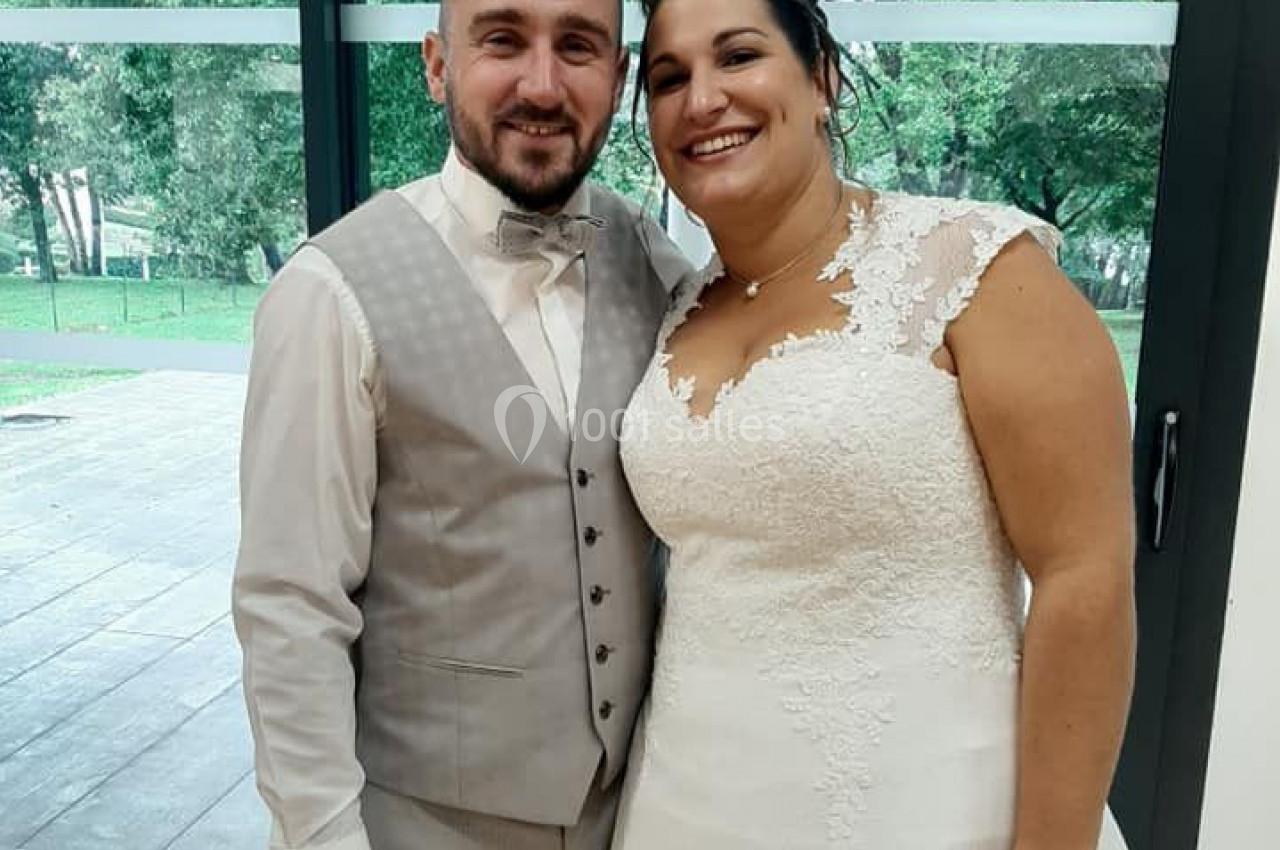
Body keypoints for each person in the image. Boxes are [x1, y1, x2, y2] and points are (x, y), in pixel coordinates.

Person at [611, 0, 1137, 847]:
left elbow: (1086, 580)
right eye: (668, 77)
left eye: (738, 57)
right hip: (683, 800)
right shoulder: (676, 306)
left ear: (821, 78)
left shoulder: (978, 269)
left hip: (928, 804)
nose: (702, 99)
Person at [231, 0, 690, 848]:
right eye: (503, 40)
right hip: (419, 825)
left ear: (617, 77)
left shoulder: (654, 261)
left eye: (579, 46)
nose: (542, 84)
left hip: (636, 814)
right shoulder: (329, 293)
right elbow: (291, 607)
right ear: (438, 65)